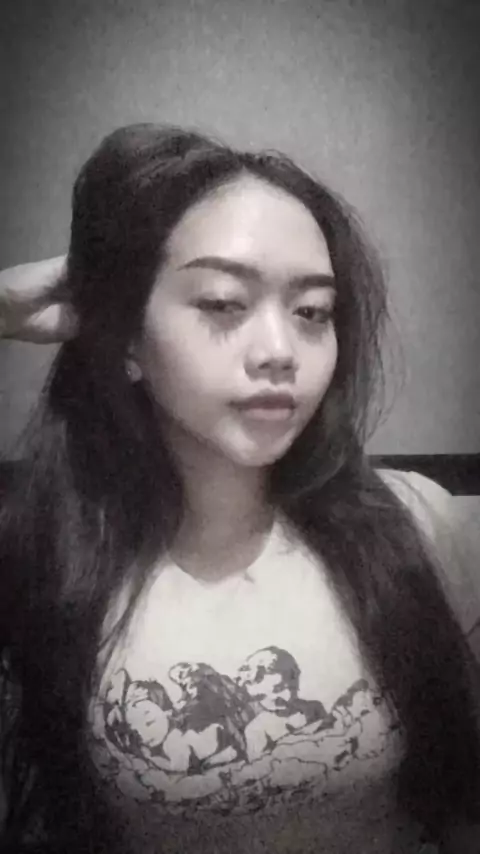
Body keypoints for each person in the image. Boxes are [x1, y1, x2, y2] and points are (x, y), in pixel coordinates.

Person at [0, 123, 479, 854]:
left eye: (312, 312)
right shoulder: (49, 552)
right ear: (127, 338)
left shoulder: (421, 524)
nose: (281, 351)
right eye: (224, 302)